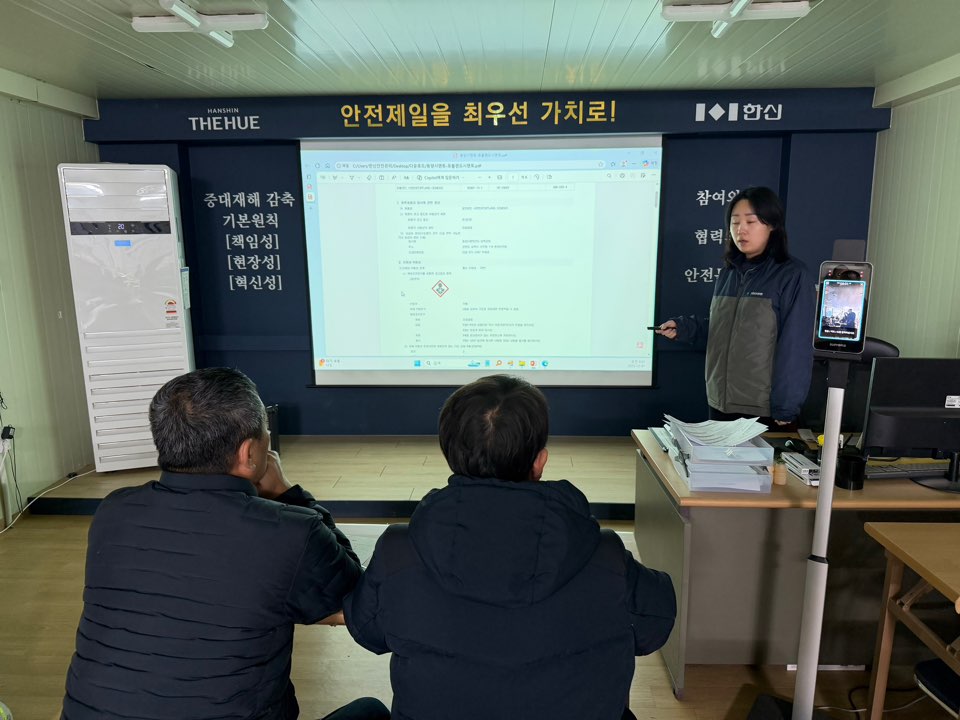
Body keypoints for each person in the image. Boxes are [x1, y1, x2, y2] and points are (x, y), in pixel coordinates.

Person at [61, 367, 389, 720]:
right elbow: (353, 595)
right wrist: (287, 494)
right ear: (248, 453)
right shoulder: (291, 532)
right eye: (265, 434)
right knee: (371, 713)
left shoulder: (113, 511)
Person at [343, 374, 676, 720]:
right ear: (539, 461)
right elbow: (655, 626)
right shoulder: (606, 557)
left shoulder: (398, 552)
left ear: (450, 456)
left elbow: (368, 631)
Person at [656, 186, 815, 426]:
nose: (741, 229)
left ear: (772, 225)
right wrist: (684, 328)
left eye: (750, 221)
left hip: (763, 409)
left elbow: (795, 347)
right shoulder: (728, 273)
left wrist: (786, 407)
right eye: (734, 222)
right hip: (720, 403)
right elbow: (724, 329)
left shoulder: (792, 275)